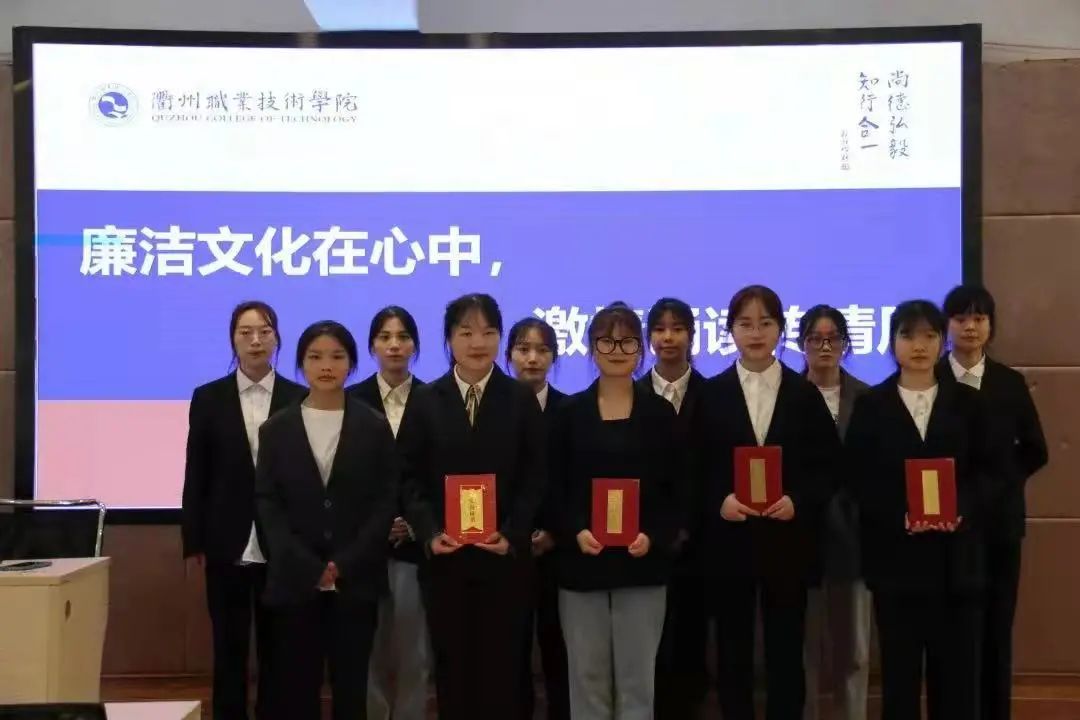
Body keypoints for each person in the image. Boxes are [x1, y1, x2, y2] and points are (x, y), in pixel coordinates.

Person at [693, 284, 840, 720]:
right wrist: (719, 501)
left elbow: (829, 467)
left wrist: (799, 500)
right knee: (732, 651)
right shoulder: (711, 394)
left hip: (788, 540)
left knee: (786, 650)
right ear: (730, 331)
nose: (755, 333)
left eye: (765, 323)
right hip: (729, 542)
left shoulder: (804, 394)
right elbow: (692, 467)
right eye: (745, 324)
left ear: (780, 329)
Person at [846, 300, 998, 720]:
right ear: (892, 342)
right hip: (897, 564)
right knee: (899, 680)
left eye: (929, 335)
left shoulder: (969, 403)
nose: (919, 346)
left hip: (957, 564)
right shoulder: (872, 405)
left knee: (957, 682)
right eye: (908, 335)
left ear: (942, 341)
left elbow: (992, 472)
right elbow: (857, 478)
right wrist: (898, 513)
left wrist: (961, 507)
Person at [399, 293, 547, 720]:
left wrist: (513, 533)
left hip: (505, 561)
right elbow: (407, 476)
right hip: (447, 561)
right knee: (453, 670)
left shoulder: (520, 398)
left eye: (488, 332)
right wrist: (430, 532)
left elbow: (536, 476)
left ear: (499, 338)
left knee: (506, 670)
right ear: (449, 339)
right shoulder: (426, 400)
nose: (477, 342)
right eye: (466, 332)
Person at [256, 320, 399, 720]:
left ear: (351, 363)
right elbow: (268, 504)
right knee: (296, 689)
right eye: (315, 357)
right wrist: (308, 566)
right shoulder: (276, 429)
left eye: (337, 356)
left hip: (356, 580)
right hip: (294, 582)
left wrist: (344, 564)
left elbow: (384, 501)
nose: (326, 366)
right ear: (301, 363)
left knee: (351, 688)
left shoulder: (373, 426)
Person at [553, 302, 680, 720]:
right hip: (582, 564)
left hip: (642, 564)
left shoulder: (660, 414)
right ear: (592, 348)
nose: (617, 350)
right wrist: (575, 530)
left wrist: (654, 535)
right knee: (586, 679)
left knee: (637, 682)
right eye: (606, 341)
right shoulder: (569, 414)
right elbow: (554, 487)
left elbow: (677, 488)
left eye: (627, 342)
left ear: (640, 349)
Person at [181, 300, 307, 720]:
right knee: (228, 648)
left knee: (280, 649)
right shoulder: (208, 397)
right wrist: (193, 540)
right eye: (245, 332)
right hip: (225, 541)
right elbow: (197, 472)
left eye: (264, 332)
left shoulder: (298, 398)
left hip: (282, 544)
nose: (256, 340)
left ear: (277, 338)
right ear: (232, 339)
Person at [938, 285, 1047, 720]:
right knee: (951, 636)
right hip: (944, 528)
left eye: (979, 318)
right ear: (946, 326)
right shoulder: (930, 380)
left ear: (990, 326)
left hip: (999, 527)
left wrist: (1000, 483)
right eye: (961, 318)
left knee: (997, 631)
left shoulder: (1009, 382)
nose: (970, 326)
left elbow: (1036, 450)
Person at [348, 306, 431, 720]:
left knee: (416, 650)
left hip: (417, 545)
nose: (394, 345)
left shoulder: (434, 398)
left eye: (403, 337)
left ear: (415, 345)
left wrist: (415, 523)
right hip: (364, 546)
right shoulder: (351, 400)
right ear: (372, 347)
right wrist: (378, 524)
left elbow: (438, 472)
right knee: (368, 648)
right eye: (384, 337)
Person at [797, 305, 871, 720]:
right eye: (815, 338)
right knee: (801, 651)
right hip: (798, 537)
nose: (824, 347)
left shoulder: (869, 399)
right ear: (802, 344)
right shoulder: (787, 395)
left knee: (853, 652)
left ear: (845, 344)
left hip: (854, 541)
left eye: (833, 339)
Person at [638, 297, 709, 720]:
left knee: (692, 642)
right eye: (660, 329)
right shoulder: (631, 394)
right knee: (650, 647)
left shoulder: (714, 394)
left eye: (678, 328)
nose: (669, 337)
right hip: (646, 542)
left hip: (704, 542)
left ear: (691, 336)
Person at [507, 317, 570, 720]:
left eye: (542, 350)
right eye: (523, 349)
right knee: (511, 654)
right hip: (506, 548)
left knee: (558, 651)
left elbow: (574, 481)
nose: (532, 358)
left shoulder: (570, 410)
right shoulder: (493, 408)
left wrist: (554, 532)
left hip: (558, 552)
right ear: (509, 355)